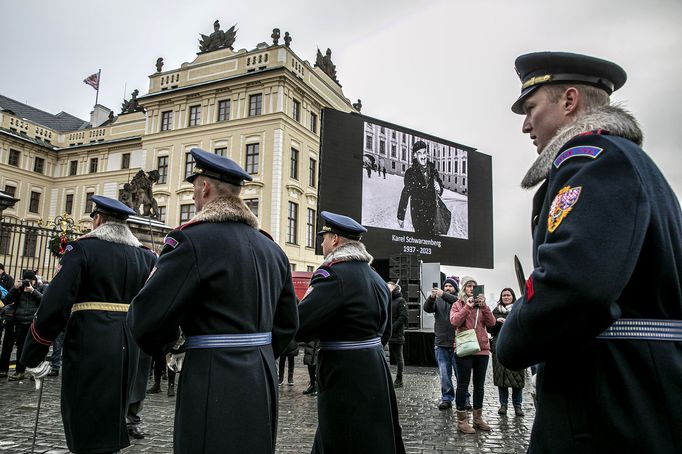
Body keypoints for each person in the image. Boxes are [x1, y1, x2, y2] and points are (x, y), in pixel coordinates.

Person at [497, 51, 682, 453]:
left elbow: (575, 283)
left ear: (569, 100)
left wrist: (511, 338)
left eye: (531, 108)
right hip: (634, 385)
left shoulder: (595, 161)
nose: (526, 125)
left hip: (611, 397)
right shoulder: (629, 161)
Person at [127, 147, 299, 454]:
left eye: (194, 188)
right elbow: (287, 324)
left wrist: (172, 347)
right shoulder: (272, 249)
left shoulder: (190, 240)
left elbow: (147, 318)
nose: (194, 197)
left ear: (204, 187)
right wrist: (256, 351)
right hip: (261, 375)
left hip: (212, 372)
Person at [20, 195, 157, 454]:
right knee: (116, 409)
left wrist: (33, 352)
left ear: (98, 219)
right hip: (131, 343)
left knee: (86, 413)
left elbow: (55, 304)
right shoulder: (146, 257)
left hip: (91, 339)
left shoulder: (82, 249)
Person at [297, 211, 405, 454]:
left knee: (341, 434)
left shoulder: (332, 274)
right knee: (373, 433)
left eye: (324, 237)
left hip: (344, 371)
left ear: (335, 240)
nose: (322, 242)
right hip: (375, 366)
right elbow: (385, 331)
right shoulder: (376, 278)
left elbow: (301, 324)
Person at [449, 276, 495, 433]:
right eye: (468, 285)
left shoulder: (482, 306)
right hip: (464, 348)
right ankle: (462, 420)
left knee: (479, 385)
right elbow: (454, 321)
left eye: (474, 286)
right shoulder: (458, 304)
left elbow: (492, 323)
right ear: (463, 288)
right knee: (463, 384)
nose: (471, 288)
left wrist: (484, 307)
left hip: (482, 349)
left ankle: (478, 418)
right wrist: (467, 307)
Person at [423, 277, 469, 410]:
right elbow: (427, 308)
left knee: (461, 375)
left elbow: (458, 301)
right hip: (441, 342)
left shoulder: (460, 300)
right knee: (444, 375)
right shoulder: (438, 300)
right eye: (446, 286)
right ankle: (447, 398)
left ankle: (465, 398)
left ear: (455, 288)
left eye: (450, 286)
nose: (448, 288)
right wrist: (432, 297)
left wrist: (443, 294)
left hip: (458, 343)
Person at [487, 288, 524, 416]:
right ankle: (503, 405)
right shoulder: (496, 311)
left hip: (516, 348)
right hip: (499, 347)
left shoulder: (519, 309)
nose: (506, 297)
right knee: (501, 380)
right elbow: (489, 328)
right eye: (504, 295)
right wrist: (497, 322)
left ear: (513, 297)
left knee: (517, 381)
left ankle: (518, 406)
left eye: (508, 295)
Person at [2, 270, 42, 381]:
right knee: (20, 347)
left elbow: (44, 301)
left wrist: (33, 291)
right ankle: (20, 371)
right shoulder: (19, 289)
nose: (28, 283)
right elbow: (6, 301)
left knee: (33, 347)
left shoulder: (39, 288)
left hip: (32, 322)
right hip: (19, 322)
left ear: (34, 280)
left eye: (31, 281)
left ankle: (34, 371)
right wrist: (14, 288)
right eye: (26, 281)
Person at [397, 141, 444, 235]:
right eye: (419, 153)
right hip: (418, 215)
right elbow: (405, 194)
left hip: (433, 214)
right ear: (415, 155)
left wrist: (439, 188)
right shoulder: (410, 173)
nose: (423, 156)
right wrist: (400, 216)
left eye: (424, 152)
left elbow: (440, 184)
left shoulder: (433, 170)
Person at [387, 281, 407, 388]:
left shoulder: (400, 300)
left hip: (396, 334)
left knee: (399, 358)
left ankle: (399, 380)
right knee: (385, 358)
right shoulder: (386, 300)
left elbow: (403, 317)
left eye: (389, 288)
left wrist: (392, 328)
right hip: (386, 334)